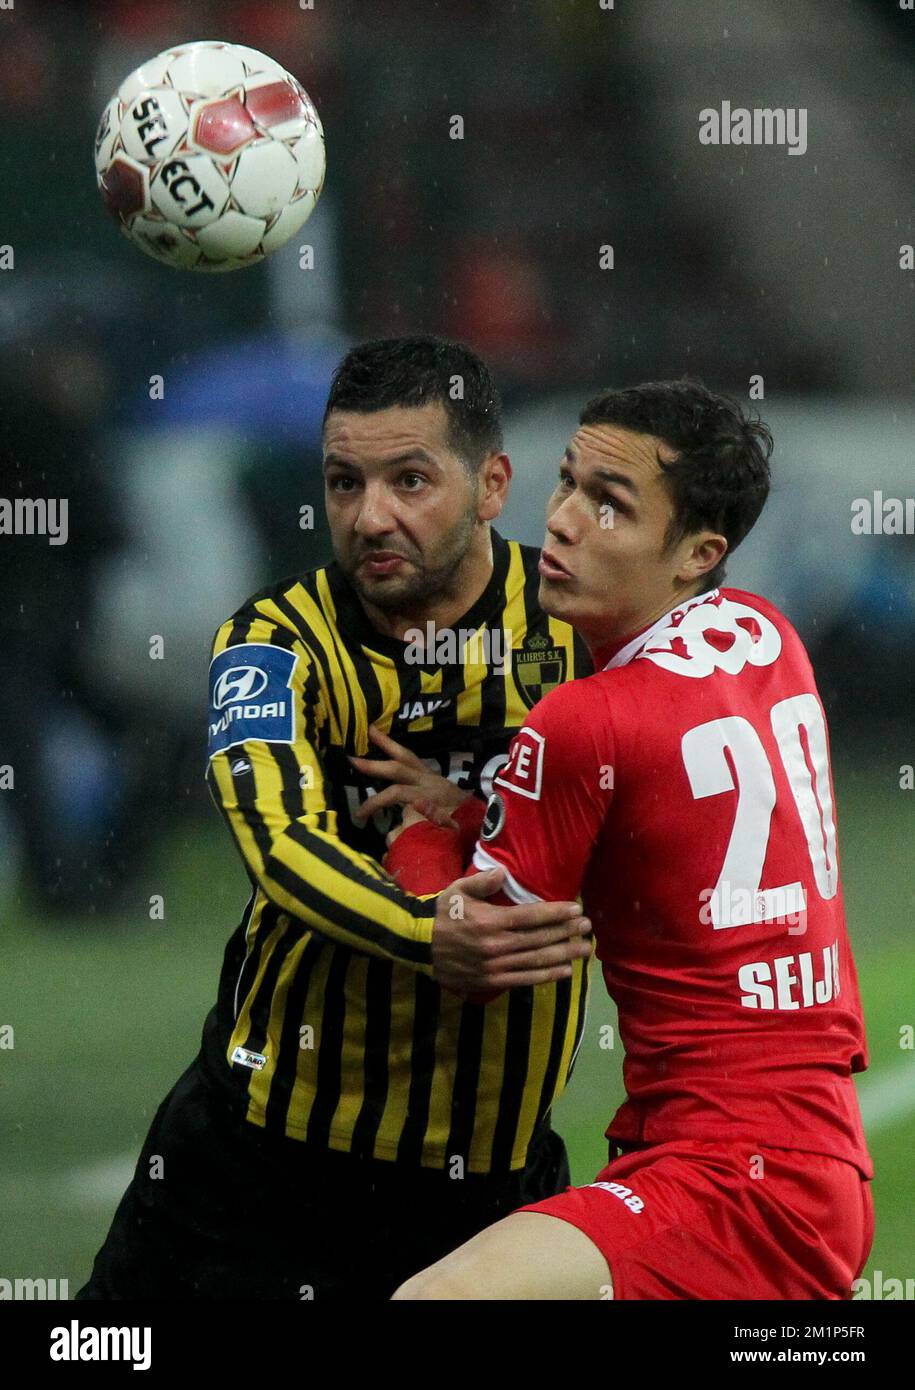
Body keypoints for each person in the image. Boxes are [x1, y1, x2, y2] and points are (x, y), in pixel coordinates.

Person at [76, 335, 593, 1301]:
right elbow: (278, 841)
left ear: (491, 485)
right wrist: (426, 928)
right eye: (344, 482)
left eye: (410, 480)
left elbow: (662, 823)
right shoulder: (272, 642)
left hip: (488, 1180)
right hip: (257, 1162)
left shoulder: (585, 629)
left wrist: (476, 806)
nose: (371, 517)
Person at [383, 379, 873, 1300]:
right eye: (566, 484)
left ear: (698, 552)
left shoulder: (584, 721)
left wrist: (418, 838)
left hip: (729, 1180)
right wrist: (473, 807)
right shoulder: (770, 636)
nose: (560, 521)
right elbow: (662, 824)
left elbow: (485, 954)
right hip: (811, 1156)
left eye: (607, 506)